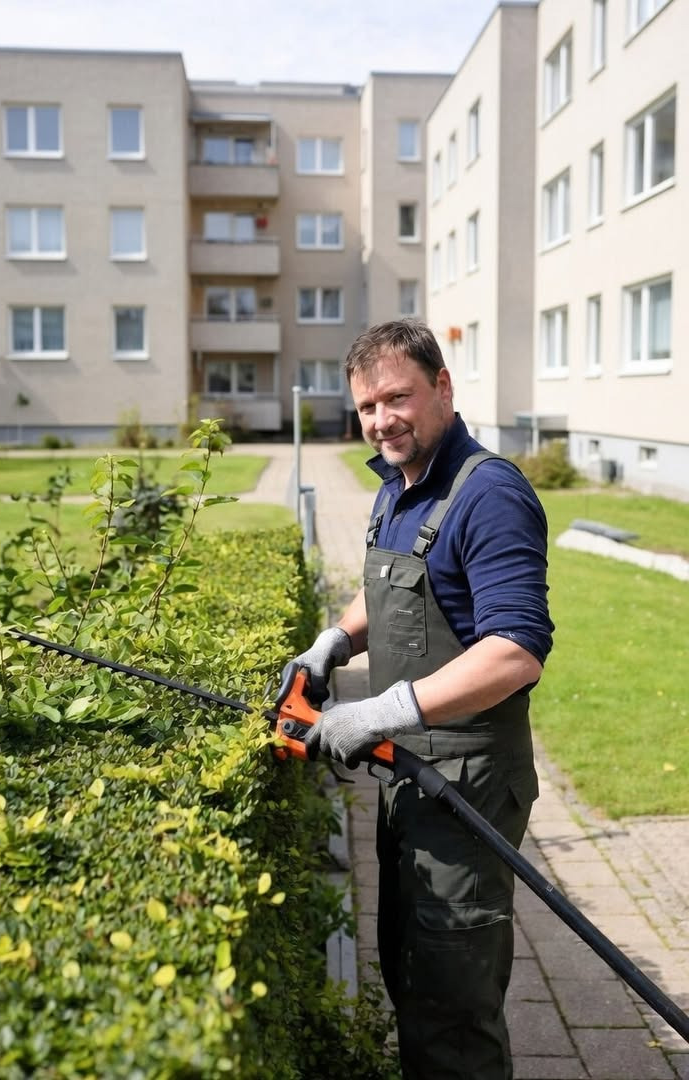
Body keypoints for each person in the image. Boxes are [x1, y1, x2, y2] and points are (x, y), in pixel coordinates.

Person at [282, 319, 554, 1079]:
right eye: (367, 406)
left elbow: (515, 652)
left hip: (466, 788)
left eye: (397, 397)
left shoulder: (489, 494)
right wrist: (332, 645)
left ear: (443, 387)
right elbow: (400, 588)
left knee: (452, 1014)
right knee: (412, 979)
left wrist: (375, 710)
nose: (381, 420)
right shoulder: (396, 486)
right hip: (412, 779)